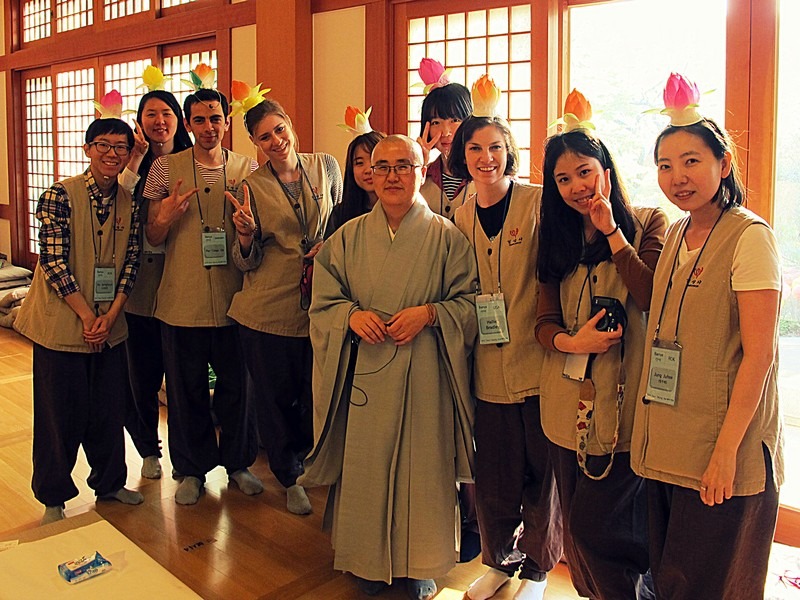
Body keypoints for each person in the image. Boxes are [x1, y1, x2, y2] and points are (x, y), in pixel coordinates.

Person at [300, 135, 478, 600]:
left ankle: (418, 563)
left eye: (404, 165)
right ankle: (364, 560)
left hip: (426, 373)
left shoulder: (447, 237)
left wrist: (432, 313)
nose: (394, 175)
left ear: (422, 172)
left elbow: (472, 303)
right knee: (366, 467)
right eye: (383, 167)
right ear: (370, 175)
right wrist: (349, 316)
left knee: (425, 469)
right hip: (369, 373)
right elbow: (323, 301)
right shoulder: (348, 236)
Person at [630, 73, 783, 599]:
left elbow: (759, 356)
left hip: (723, 449)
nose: (678, 177)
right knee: (670, 577)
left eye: (692, 161)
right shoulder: (675, 233)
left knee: (712, 583)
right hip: (671, 441)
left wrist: (725, 453)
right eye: (666, 166)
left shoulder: (749, 237)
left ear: (724, 164)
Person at [535, 90, 666, 600]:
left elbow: (651, 294)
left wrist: (612, 231)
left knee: (603, 531)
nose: (575, 187)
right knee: (580, 528)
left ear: (605, 170)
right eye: (562, 179)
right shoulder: (555, 234)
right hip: (566, 406)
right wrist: (574, 339)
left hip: (628, 405)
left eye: (585, 172)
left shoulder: (650, 221)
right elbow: (542, 321)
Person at [450, 75, 562, 600]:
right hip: (487, 369)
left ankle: (537, 571)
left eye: (495, 147)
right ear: (461, 156)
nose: (485, 157)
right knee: (494, 476)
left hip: (540, 365)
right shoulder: (458, 214)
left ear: (509, 152)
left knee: (545, 477)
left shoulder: (540, 202)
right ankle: (499, 561)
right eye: (474, 148)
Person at [14, 109, 145, 525]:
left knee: (108, 409)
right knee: (59, 413)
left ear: (129, 155)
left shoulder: (130, 200)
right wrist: (89, 317)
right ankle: (54, 495)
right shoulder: (59, 194)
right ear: (87, 149)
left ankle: (109, 483)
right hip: (62, 325)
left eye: (120, 147)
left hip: (110, 326)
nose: (112, 153)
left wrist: (111, 316)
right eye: (103, 145)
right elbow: (52, 263)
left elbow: (132, 261)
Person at [143, 70, 262, 506]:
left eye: (215, 118)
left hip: (236, 300)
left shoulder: (247, 169)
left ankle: (238, 463)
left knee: (238, 386)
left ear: (226, 121)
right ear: (187, 124)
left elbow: (256, 235)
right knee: (184, 388)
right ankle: (191, 470)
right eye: (198, 119)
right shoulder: (164, 169)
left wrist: (247, 231)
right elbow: (152, 238)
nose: (208, 126)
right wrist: (167, 216)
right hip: (181, 299)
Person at [225, 92, 342, 514]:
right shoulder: (248, 188)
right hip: (268, 309)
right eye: (264, 137)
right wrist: (244, 233)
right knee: (274, 398)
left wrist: (329, 244)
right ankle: (288, 475)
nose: (276, 141)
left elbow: (343, 222)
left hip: (321, 302)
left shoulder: (325, 166)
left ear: (290, 124)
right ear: (255, 145)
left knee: (316, 393)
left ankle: (316, 465)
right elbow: (245, 260)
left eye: (279, 130)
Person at [120, 68, 194, 480]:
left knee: (181, 372)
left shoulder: (192, 158)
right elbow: (119, 197)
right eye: (150, 113)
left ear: (177, 120)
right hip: (143, 277)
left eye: (166, 112)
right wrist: (134, 156)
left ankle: (189, 456)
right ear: (141, 120)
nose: (158, 120)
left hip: (184, 273)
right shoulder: (134, 161)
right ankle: (148, 448)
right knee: (142, 372)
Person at [415, 58, 472, 219]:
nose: (445, 132)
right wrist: (418, 164)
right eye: (436, 122)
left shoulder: (485, 172)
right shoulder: (422, 175)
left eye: (454, 120)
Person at [326, 108, 385, 234]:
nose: (368, 170)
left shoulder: (398, 210)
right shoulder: (341, 214)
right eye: (359, 163)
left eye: (374, 160)